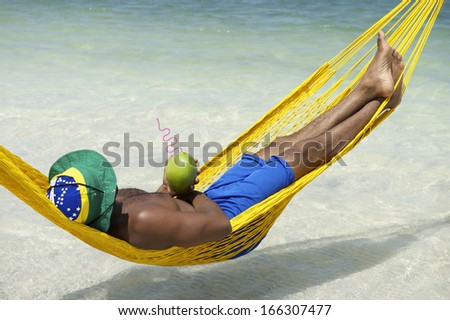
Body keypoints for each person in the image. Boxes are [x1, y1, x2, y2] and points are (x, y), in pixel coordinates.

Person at [47, 31, 404, 256]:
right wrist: (185, 190)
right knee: (301, 155)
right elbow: (218, 227)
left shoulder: (112, 203)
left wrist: (169, 188)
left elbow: (166, 202)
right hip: (229, 222)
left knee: (280, 145)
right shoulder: (141, 220)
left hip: (205, 204)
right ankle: (382, 102)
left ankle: (368, 88)